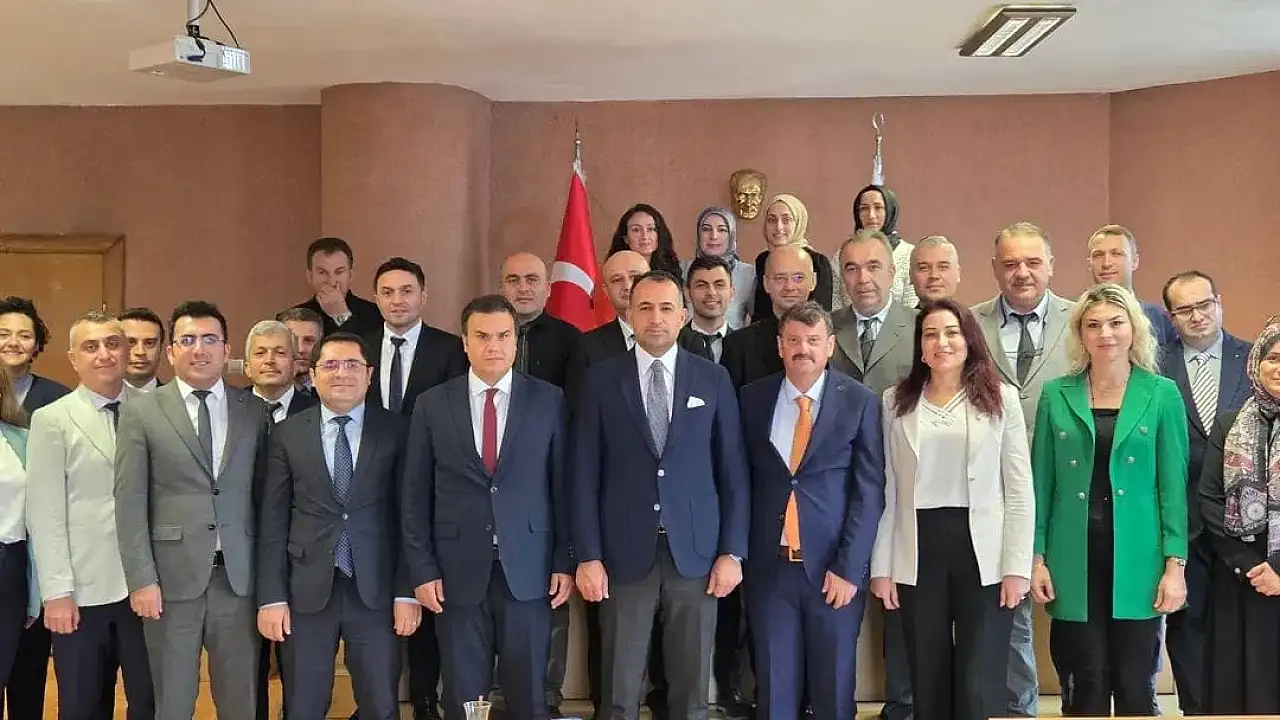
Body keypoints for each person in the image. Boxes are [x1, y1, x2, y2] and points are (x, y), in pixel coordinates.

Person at [571, 271, 749, 720]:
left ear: (683, 316)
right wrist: (588, 555)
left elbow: (732, 473)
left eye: (666, 308)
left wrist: (732, 552)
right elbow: (583, 475)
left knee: (691, 691)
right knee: (619, 689)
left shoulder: (713, 379)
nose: (655, 318)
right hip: (623, 555)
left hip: (695, 555)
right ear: (629, 315)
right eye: (645, 308)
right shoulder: (600, 380)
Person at [402, 294, 572, 720]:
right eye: (482, 336)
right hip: (455, 573)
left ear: (515, 341)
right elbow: (414, 495)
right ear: (464, 342)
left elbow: (562, 488)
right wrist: (422, 569)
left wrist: (563, 561)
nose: (493, 346)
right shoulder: (432, 404)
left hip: (530, 571)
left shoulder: (548, 399)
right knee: (463, 695)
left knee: (528, 695)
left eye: (503, 336)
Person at [1030, 283, 1189, 717]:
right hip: (1071, 557)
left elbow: (1173, 489)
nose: (1105, 334)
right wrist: (1036, 558)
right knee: (1085, 683)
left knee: (1136, 683)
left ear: (1134, 329)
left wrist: (1175, 565)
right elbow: (1041, 484)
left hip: (1140, 558)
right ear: (1080, 334)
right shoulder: (1056, 394)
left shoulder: (1161, 393)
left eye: (1116, 323)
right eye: (1093, 325)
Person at [870, 299, 1033, 720]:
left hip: (982, 549)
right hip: (918, 547)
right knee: (927, 676)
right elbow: (890, 488)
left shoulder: (1001, 398)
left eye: (951, 332)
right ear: (920, 348)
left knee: (979, 679)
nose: (941, 342)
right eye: (930, 334)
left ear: (969, 340)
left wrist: (1017, 567)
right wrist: (882, 566)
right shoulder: (895, 401)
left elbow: (1019, 489)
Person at [114, 300, 271, 719]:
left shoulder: (253, 411)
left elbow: (264, 499)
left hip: (239, 580)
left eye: (209, 339)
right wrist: (141, 580)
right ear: (171, 352)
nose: (199, 349)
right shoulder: (142, 411)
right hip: (170, 582)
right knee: (173, 701)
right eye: (187, 340)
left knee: (240, 702)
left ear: (226, 349)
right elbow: (129, 502)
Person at [258, 331, 419, 720]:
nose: (341, 373)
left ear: (369, 374)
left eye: (352, 364)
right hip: (306, 591)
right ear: (313, 375)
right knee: (303, 705)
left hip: (377, 591)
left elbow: (409, 517)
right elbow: (273, 520)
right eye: (330, 364)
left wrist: (406, 592)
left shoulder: (397, 431)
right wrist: (271, 597)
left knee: (381, 704)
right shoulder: (287, 434)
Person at [740, 301, 884, 720]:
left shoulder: (859, 401)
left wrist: (849, 567)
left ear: (830, 346)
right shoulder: (752, 399)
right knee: (774, 692)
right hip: (770, 571)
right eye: (794, 340)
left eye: (813, 340)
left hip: (832, 571)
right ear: (780, 346)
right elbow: (739, 480)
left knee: (833, 692)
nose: (803, 348)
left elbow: (869, 491)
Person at [25, 311, 155, 720]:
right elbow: (44, 512)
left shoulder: (154, 410)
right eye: (91, 346)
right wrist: (56, 593)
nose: (104, 354)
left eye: (113, 344)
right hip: (81, 590)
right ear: (73, 359)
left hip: (146, 585)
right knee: (83, 705)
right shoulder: (52, 419)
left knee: (149, 702)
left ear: (126, 350)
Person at [971, 222, 1074, 716]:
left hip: (1068, 484)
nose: (1022, 272)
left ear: (1051, 265)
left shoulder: (1081, 320)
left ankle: (1079, 700)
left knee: (1073, 604)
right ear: (994, 268)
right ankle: (1017, 707)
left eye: (1033, 262)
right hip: (993, 488)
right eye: (1010, 263)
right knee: (1007, 599)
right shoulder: (969, 324)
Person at [361, 256, 464, 720]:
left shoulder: (450, 349)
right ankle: (373, 702)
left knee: (424, 592)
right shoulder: (359, 347)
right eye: (387, 292)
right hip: (367, 492)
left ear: (424, 296)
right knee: (371, 599)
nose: (397, 300)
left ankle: (424, 700)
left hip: (432, 490)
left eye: (406, 291)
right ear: (376, 297)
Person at [1157, 270, 1251, 714]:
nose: (1197, 316)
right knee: (1187, 622)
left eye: (1204, 304)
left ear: (1219, 302)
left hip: (1245, 519)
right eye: (1184, 309)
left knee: (1239, 622)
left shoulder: (1254, 359)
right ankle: (1196, 710)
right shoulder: (1155, 365)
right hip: (1184, 516)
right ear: (1170, 317)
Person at [1199, 315, 1280, 714]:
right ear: (1256, 362)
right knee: (1238, 691)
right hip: (1240, 576)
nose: (1279, 368)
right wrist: (1248, 563)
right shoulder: (1229, 423)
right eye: (1273, 358)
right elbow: (1209, 498)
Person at [243, 319, 317, 720]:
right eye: (260, 353)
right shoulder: (228, 410)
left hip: (303, 559)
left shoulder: (319, 411)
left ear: (296, 361)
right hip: (239, 557)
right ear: (247, 365)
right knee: (246, 669)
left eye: (280, 352)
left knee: (300, 672)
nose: (270, 360)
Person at [0, 295, 66, 719]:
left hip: (24, 559)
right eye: (3, 334)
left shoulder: (56, 400)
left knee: (27, 673)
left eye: (24, 334)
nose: (13, 342)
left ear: (37, 343)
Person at [0, 368, 43, 717]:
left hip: (10, 568)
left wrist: (35, 589)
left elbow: (38, 518)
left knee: (13, 673)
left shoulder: (22, 439)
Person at [1085, 225, 1177, 348]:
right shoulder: (1077, 319)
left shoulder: (1160, 319)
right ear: (1089, 263)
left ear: (1135, 261)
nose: (1106, 263)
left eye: (1117, 254)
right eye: (1098, 255)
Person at [834, 184, 917, 309]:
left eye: (878, 208)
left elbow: (910, 308)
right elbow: (836, 303)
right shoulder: (843, 254)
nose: (871, 215)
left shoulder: (908, 254)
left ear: (890, 211)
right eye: (864, 209)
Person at [750, 194, 835, 315]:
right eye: (772, 220)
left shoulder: (817, 262)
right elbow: (760, 309)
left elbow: (821, 313)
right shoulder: (763, 259)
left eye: (786, 220)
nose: (778, 227)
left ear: (799, 222)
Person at [679, 207, 755, 330]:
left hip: (733, 341)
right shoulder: (681, 270)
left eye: (722, 230)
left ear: (731, 235)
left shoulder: (748, 274)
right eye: (706, 229)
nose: (713, 236)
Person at [295, 237, 383, 338]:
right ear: (310, 276)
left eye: (339, 272)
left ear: (350, 275)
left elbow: (369, 346)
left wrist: (341, 316)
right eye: (322, 273)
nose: (331, 282)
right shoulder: (292, 318)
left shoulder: (376, 314)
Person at [608, 204, 682, 279]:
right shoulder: (613, 271)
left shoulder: (672, 269)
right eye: (636, 230)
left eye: (650, 229)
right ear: (626, 238)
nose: (644, 236)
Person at [276, 306, 325, 396]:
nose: (300, 349)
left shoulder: (338, 394)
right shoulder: (253, 398)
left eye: (309, 340)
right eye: (292, 340)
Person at [119, 307, 167, 391]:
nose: (140, 352)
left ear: (160, 348)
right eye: (130, 342)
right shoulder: (96, 398)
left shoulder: (179, 399)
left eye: (149, 343)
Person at [908, 236, 962, 305]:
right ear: (911, 275)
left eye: (943, 267)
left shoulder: (969, 312)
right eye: (924, 268)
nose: (934, 275)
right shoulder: (898, 312)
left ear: (958, 273)